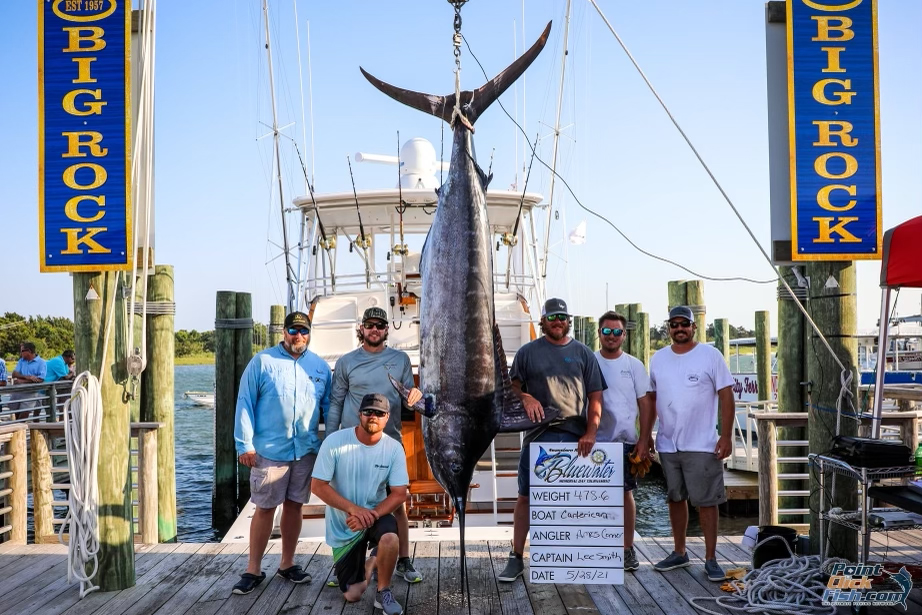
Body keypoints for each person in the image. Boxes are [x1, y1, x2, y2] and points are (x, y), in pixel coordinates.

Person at [498, 297, 605, 582]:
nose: (558, 322)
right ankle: (516, 556)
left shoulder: (584, 353)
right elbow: (512, 387)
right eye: (552, 317)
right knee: (525, 497)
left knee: (572, 501)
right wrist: (526, 396)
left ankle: (570, 558)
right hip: (537, 437)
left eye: (562, 317)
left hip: (574, 438)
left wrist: (591, 432)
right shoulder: (527, 352)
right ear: (542, 321)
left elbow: (596, 398)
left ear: (569, 321)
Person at [232, 311, 332, 595]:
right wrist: (244, 444)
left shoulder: (321, 367)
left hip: (306, 450)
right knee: (265, 507)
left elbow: (329, 408)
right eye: (292, 330)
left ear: (309, 333)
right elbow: (244, 403)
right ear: (283, 332)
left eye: (303, 330)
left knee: (295, 505)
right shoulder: (262, 362)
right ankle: (253, 568)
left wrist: (332, 445)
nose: (297, 336)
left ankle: (287, 564)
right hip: (269, 451)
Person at [327, 306, 424, 584]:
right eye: (369, 325)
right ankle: (345, 565)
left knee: (398, 503)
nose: (374, 329)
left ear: (386, 330)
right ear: (361, 328)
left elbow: (409, 399)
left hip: (389, 442)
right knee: (349, 504)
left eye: (380, 325)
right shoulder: (346, 362)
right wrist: (330, 439)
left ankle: (404, 560)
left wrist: (415, 395)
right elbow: (336, 402)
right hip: (351, 444)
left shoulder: (400, 359)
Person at [641, 306, 734, 582]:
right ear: (668, 327)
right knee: (675, 497)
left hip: (702, 444)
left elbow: (727, 396)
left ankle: (711, 558)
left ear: (694, 327)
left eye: (685, 324)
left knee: (706, 502)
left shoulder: (711, 355)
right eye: (674, 324)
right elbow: (653, 400)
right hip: (668, 444)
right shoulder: (658, 359)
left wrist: (726, 435)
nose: (679, 328)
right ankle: (680, 552)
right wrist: (646, 436)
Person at [312, 393, 409, 615]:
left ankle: (383, 591)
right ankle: (374, 560)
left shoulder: (394, 448)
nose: (373, 416)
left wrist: (370, 515)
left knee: (390, 537)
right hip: (344, 524)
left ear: (387, 418)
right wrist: (354, 510)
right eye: (368, 412)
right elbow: (317, 486)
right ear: (360, 414)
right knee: (353, 595)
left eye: (379, 413)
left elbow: (398, 494)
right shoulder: (334, 442)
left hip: (374, 515)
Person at [593, 311, 654, 573]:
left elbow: (646, 403)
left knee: (625, 494)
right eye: (606, 331)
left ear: (624, 335)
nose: (612, 336)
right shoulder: (589, 360)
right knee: (593, 498)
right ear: (599, 334)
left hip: (626, 441)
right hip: (594, 442)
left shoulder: (634, 365)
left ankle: (626, 549)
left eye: (617, 332)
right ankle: (594, 548)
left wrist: (644, 438)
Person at [10, 342, 47, 420]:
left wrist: (22, 381)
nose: (20, 353)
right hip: (18, 390)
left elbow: (40, 379)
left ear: (29, 351)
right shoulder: (21, 361)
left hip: (30, 392)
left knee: (25, 412)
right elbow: (14, 373)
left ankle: (19, 427)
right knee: (16, 411)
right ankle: (19, 429)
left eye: (22, 351)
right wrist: (27, 377)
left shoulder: (41, 362)